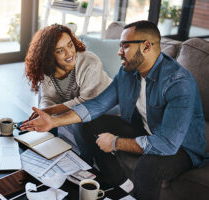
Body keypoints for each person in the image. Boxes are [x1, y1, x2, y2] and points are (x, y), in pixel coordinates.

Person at [21, 20, 208, 200]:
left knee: (147, 167)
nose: (119, 52)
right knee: (88, 123)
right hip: (144, 128)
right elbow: (97, 105)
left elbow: (167, 144)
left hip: (181, 148)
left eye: (125, 46)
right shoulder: (128, 72)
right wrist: (53, 121)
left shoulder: (178, 82)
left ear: (146, 46)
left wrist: (115, 143)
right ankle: (116, 182)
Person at [24, 24, 112, 163]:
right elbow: (48, 97)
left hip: (108, 109)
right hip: (80, 108)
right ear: (49, 56)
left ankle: (85, 163)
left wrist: (50, 110)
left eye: (70, 45)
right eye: (60, 51)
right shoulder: (48, 69)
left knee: (79, 121)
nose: (70, 53)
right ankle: (49, 154)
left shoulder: (90, 62)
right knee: (47, 119)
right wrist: (43, 112)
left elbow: (85, 102)